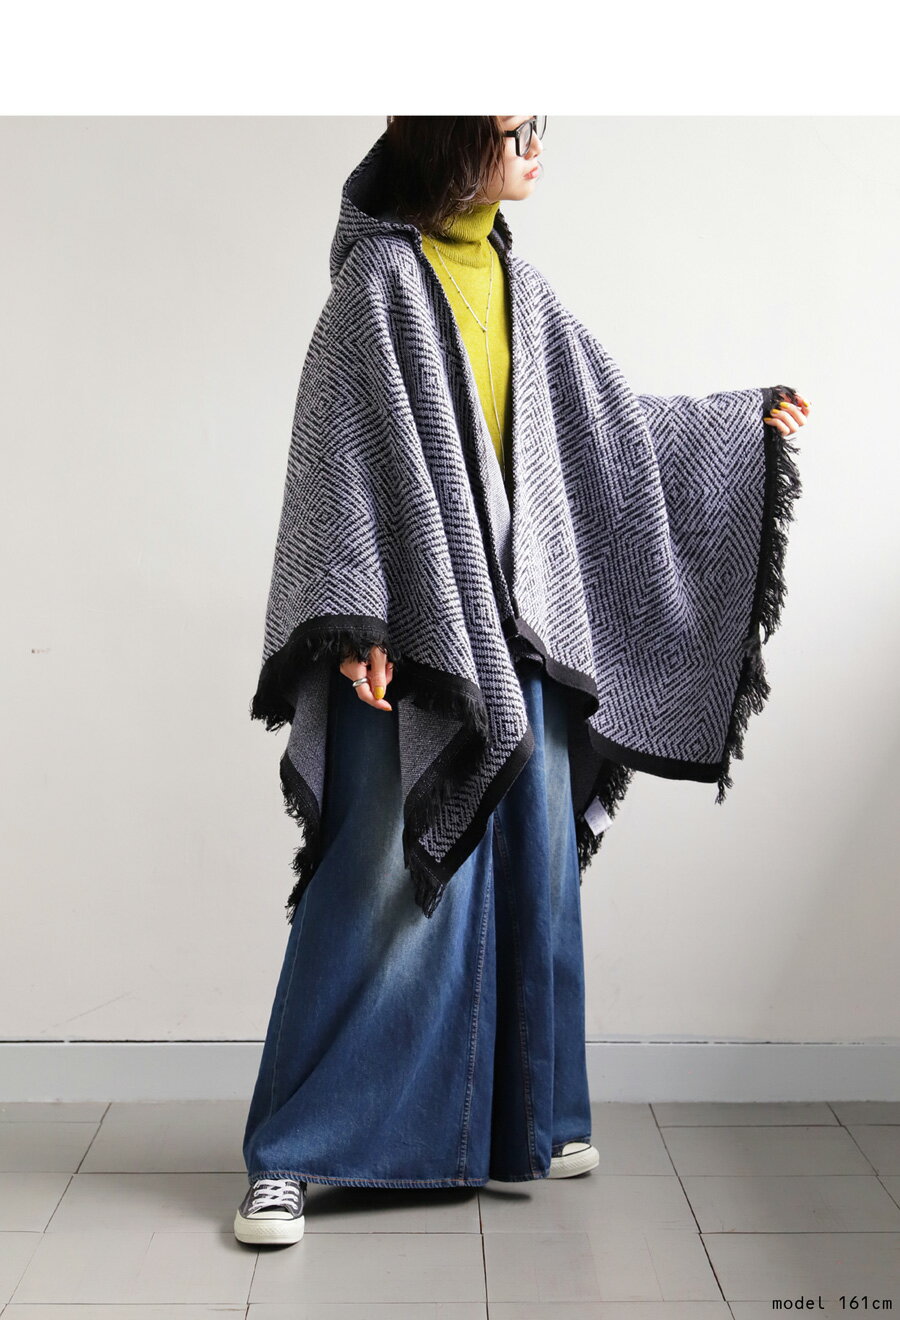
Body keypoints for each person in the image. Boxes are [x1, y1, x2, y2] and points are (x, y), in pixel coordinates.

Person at [233, 116, 811, 1247]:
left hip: (526, 635)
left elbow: (613, 434)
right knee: (381, 878)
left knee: (534, 867)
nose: (535, 147)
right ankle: (291, 1156)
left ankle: (521, 1124)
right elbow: (334, 461)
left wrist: (740, 426)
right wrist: (353, 623)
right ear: (454, 139)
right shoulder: (377, 288)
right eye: (514, 129)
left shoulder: (523, 289)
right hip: (412, 642)